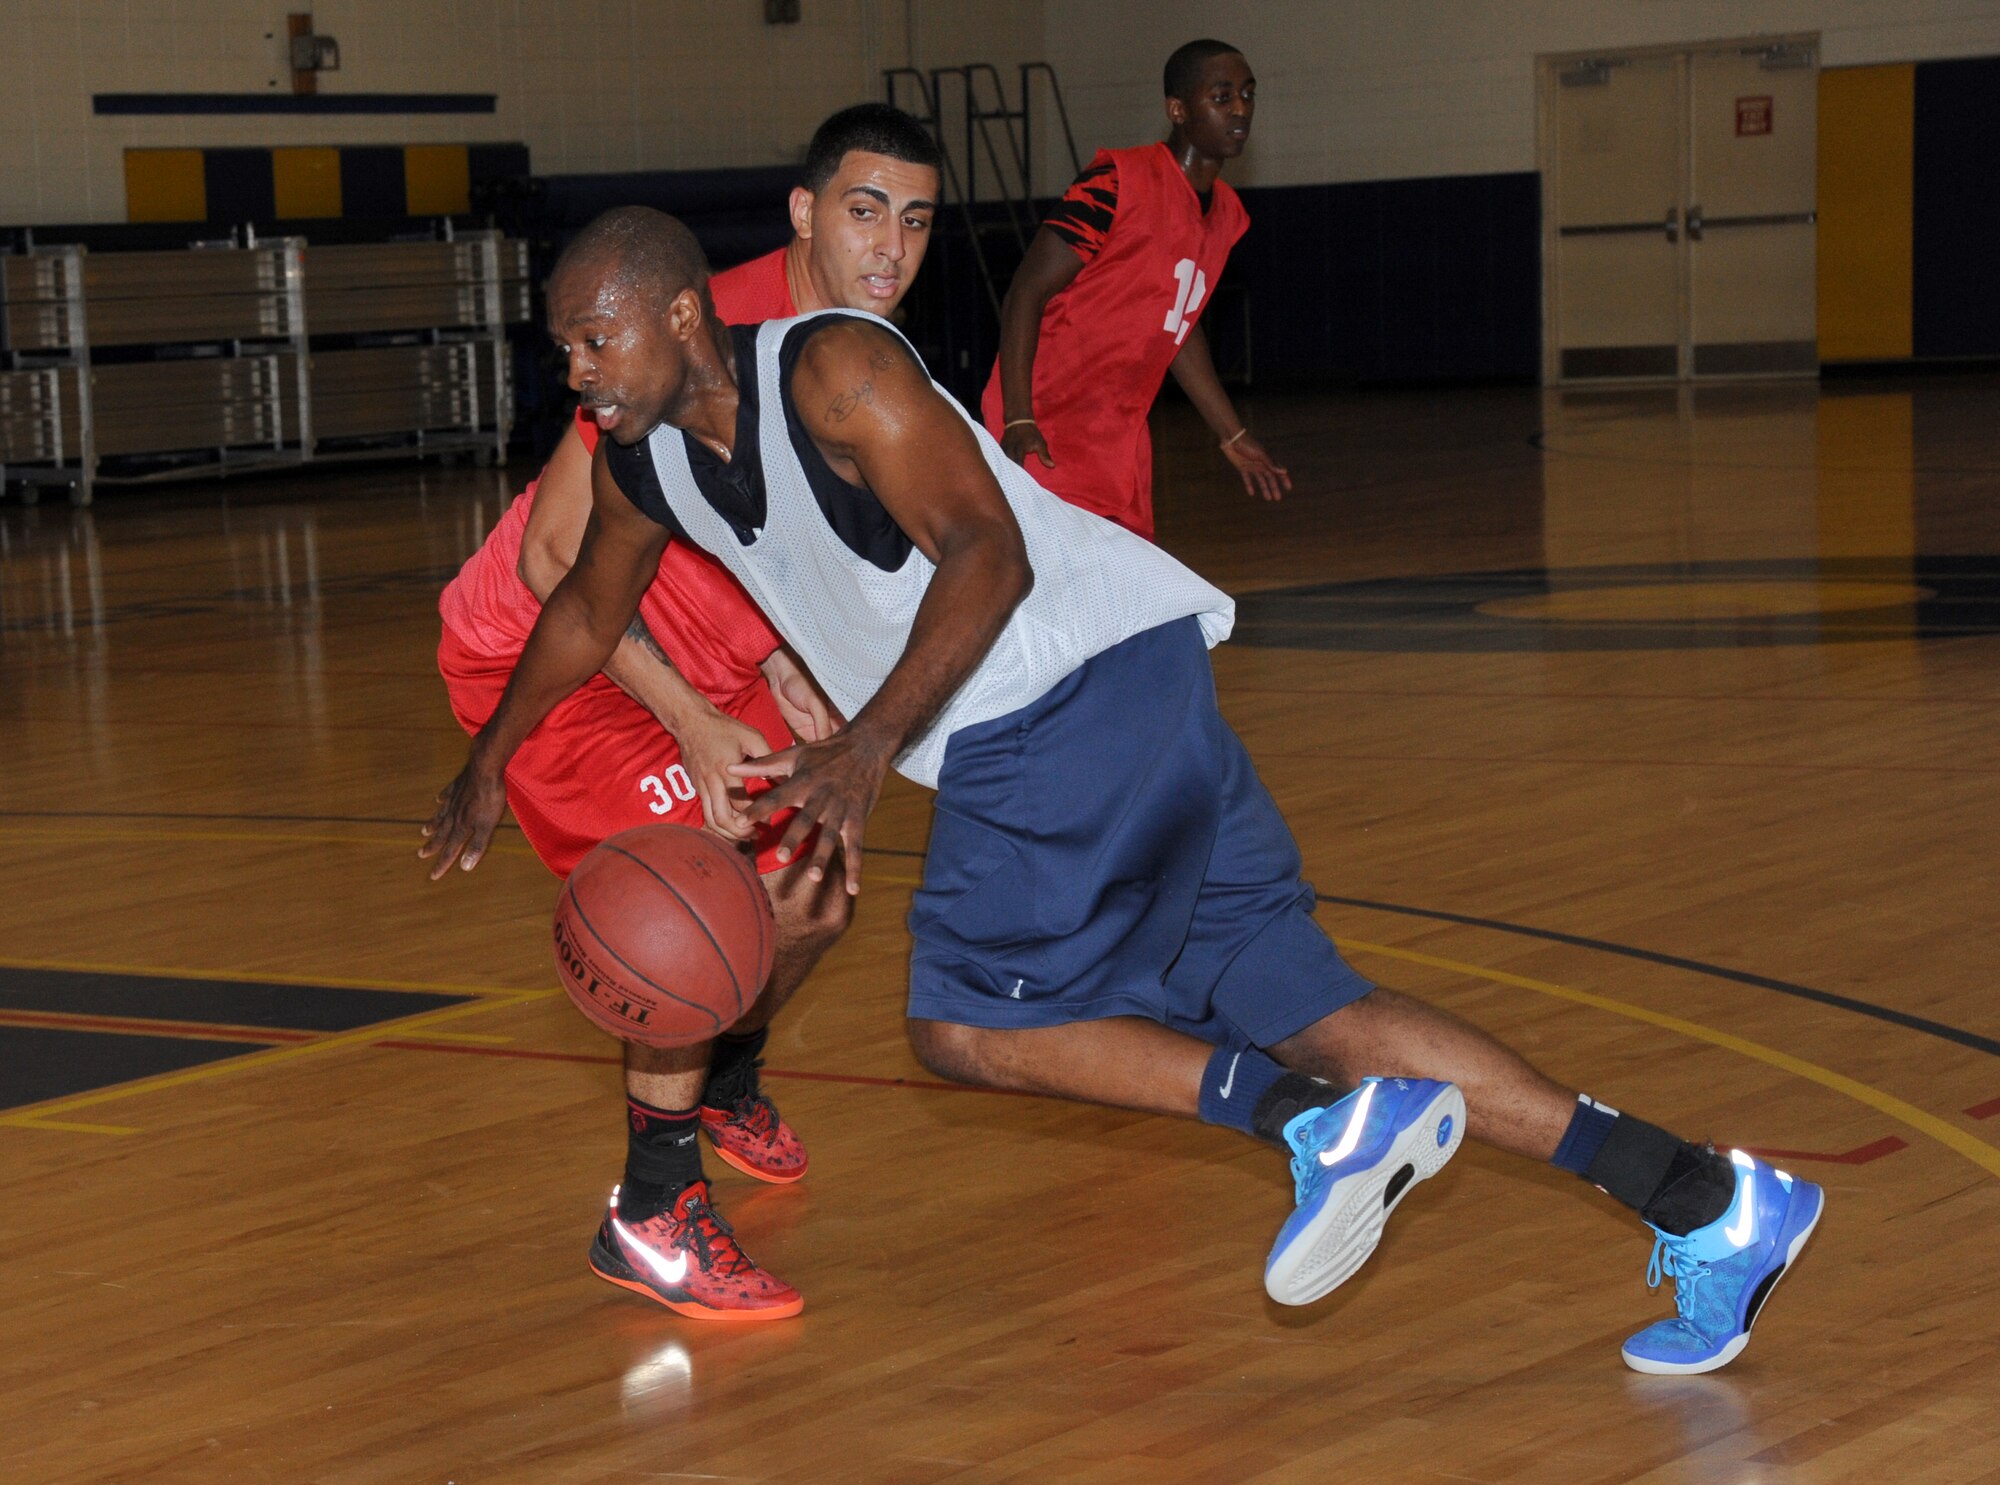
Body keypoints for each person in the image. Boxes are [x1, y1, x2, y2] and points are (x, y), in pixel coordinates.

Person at [423, 208, 1824, 1374]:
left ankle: (1312, 1128)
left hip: (1050, 697)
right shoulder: (646, 458)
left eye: (593, 339)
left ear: (675, 318)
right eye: (565, 349)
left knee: (966, 1031)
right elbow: (585, 616)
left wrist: (866, 749)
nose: (578, 372)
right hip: (1140, 693)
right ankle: (1705, 1198)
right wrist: (488, 759)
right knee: (1315, 1011)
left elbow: (989, 557)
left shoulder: (836, 373)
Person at [419, 105, 943, 1323]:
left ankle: (717, 1073)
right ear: (806, 214)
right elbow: (560, 559)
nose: (891, 250)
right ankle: (652, 1212)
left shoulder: (854, 347)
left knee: (815, 883)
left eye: (915, 222)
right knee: (702, 896)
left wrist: (786, 669)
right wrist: (701, 723)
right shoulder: (685, 317)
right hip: (559, 670)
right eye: (864, 214)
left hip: (704, 661)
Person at [981, 39, 1290, 539]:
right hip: (1046, 421)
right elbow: (1026, 292)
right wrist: (1017, 416)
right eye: (1222, 96)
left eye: (1248, 95)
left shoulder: (1228, 214)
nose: (1240, 108)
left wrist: (1230, 432)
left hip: (1119, 434)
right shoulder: (1117, 180)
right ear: (1178, 109)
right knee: (1053, 590)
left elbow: (1177, 329)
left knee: (1126, 598)